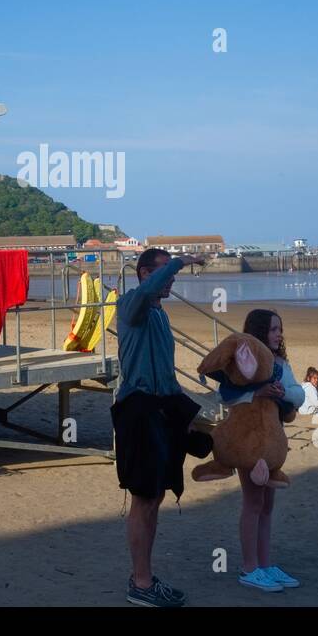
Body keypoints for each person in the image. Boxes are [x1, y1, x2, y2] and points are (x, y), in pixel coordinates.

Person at [112, 246, 208, 607]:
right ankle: (140, 582)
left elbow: (167, 376)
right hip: (137, 408)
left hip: (162, 407)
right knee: (143, 496)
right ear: (144, 274)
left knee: (157, 495)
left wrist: (187, 415)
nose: (171, 281)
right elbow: (149, 291)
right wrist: (183, 260)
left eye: (173, 274)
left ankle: (145, 578)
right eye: (165, 273)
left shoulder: (161, 317)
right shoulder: (130, 306)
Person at [223, 308, 303, 592]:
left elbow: (297, 394)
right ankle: (249, 567)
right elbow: (227, 396)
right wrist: (257, 393)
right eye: (272, 329)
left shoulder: (280, 361)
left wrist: (284, 394)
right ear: (258, 331)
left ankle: (265, 564)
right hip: (248, 440)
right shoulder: (245, 362)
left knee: (268, 504)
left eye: (280, 329)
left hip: (274, 441)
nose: (278, 334)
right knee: (253, 502)